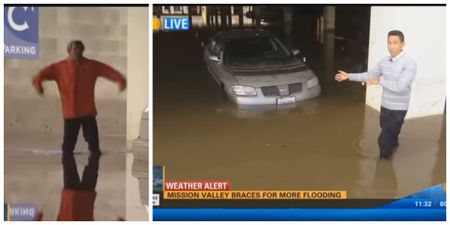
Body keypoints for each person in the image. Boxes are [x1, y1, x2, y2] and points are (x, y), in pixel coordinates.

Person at [32, 40, 126, 158]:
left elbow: (108, 71)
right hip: (70, 112)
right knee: (68, 145)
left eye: (80, 49)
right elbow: (39, 76)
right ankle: (68, 170)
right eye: (75, 49)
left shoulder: (91, 65)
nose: (78, 52)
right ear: (69, 51)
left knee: (93, 143)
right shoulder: (59, 67)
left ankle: (92, 171)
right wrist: (38, 86)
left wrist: (120, 80)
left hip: (87, 111)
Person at [335, 30, 417, 159]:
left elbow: (400, 86)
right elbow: (370, 75)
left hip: (399, 107)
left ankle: (384, 163)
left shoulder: (409, 63)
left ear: (403, 44)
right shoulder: (385, 61)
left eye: (395, 43)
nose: (391, 46)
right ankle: (394, 144)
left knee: (384, 140)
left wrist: (380, 81)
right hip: (385, 105)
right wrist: (349, 76)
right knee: (387, 130)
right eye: (389, 42)